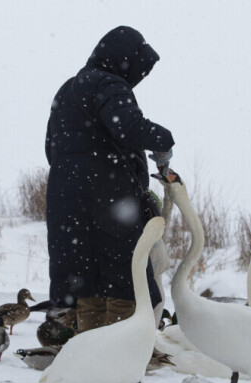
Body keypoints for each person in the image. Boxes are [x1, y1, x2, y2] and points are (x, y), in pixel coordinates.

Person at [45, 26, 174, 335]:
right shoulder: (109, 84)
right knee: (124, 289)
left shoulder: (68, 89)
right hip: (109, 206)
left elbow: (52, 147)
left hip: (70, 209)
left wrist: (77, 181)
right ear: (125, 59)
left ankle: (91, 369)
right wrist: (163, 141)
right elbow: (129, 127)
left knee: (88, 291)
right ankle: (117, 374)